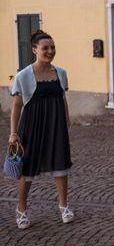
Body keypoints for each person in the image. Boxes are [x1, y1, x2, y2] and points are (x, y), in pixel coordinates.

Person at [8, 30, 73, 229]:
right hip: (32, 125)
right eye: (45, 48)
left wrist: (67, 124)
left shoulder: (61, 73)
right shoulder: (23, 75)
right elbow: (17, 106)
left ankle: (63, 206)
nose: (50, 51)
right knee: (27, 169)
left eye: (52, 47)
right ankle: (21, 209)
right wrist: (13, 133)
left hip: (56, 124)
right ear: (35, 50)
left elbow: (62, 99)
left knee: (60, 165)